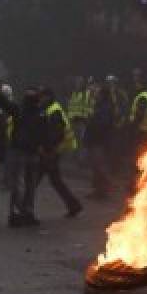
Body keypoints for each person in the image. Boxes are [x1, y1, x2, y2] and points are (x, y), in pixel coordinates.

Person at [33, 87, 83, 218]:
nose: (40, 99)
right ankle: (74, 205)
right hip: (53, 151)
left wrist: (48, 150)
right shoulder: (51, 109)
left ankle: (24, 207)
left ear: (48, 97)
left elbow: (56, 134)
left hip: (51, 152)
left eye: (42, 97)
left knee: (35, 179)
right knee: (55, 180)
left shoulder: (54, 111)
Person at [84, 77, 119, 200]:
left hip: (100, 142)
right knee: (96, 166)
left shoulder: (105, 107)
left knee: (100, 166)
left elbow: (102, 125)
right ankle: (98, 191)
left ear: (103, 95)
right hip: (96, 141)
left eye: (98, 93)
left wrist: (91, 123)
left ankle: (105, 189)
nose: (95, 94)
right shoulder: (100, 105)